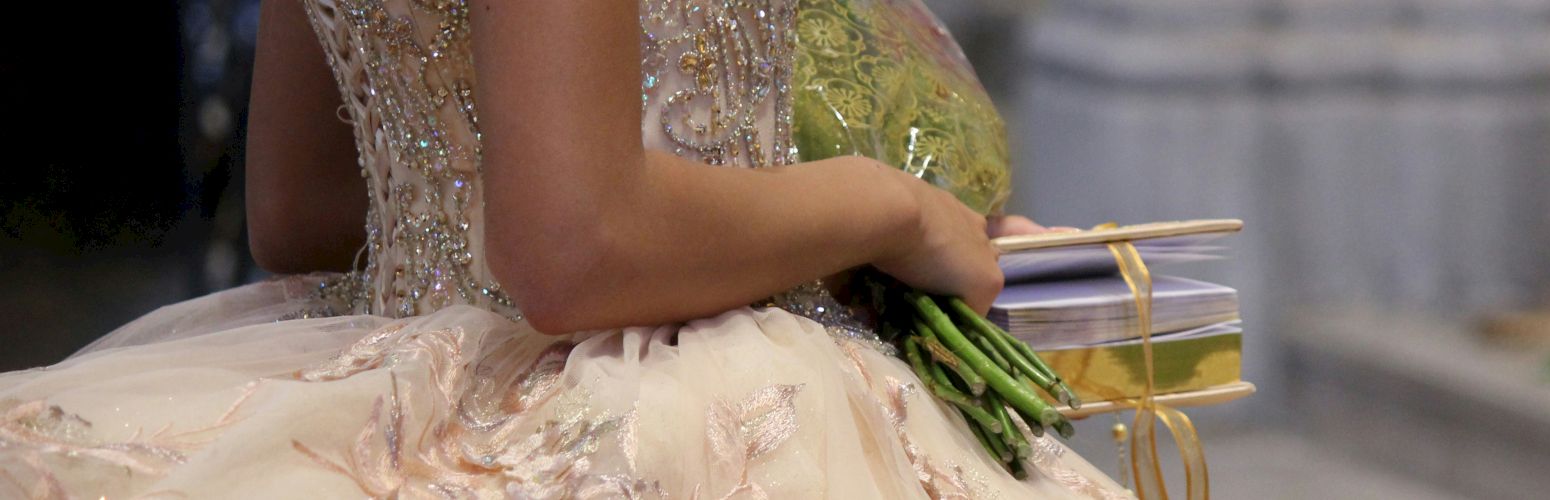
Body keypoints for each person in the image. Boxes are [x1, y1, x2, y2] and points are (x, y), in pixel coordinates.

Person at [0, 0, 1127, 497]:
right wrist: (893, 210)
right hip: (657, 405)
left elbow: (302, 209)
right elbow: (575, 245)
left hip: (386, 364)